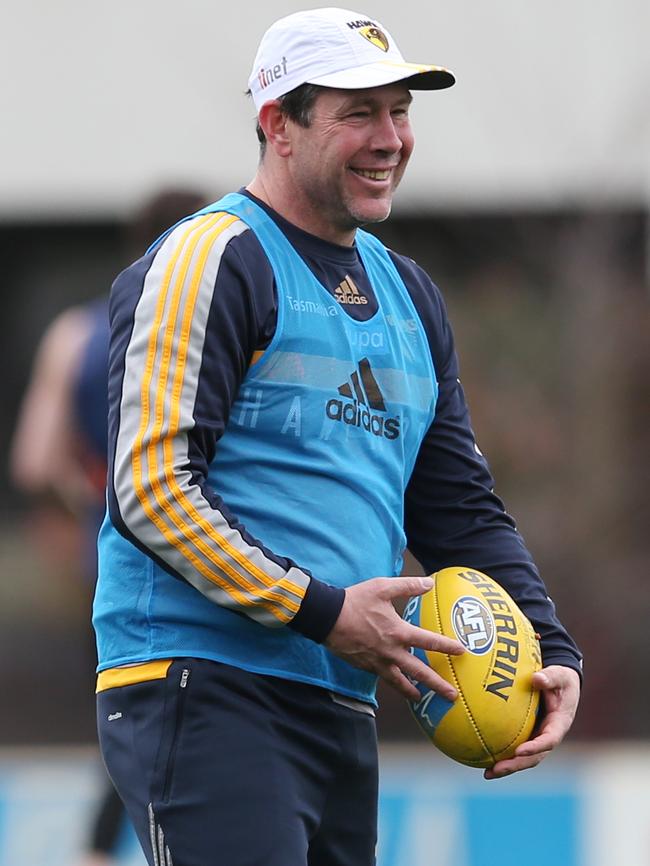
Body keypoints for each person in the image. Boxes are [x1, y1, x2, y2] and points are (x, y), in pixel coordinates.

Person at [93, 8, 582, 866]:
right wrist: (319, 610)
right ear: (278, 123)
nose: (390, 138)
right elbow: (153, 489)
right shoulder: (212, 258)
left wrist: (550, 649)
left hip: (339, 692)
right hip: (203, 684)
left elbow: (457, 508)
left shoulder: (409, 295)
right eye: (359, 113)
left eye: (401, 111)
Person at [10, 190, 207, 866]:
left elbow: (36, 459)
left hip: (117, 549)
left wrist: (96, 500)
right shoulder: (217, 327)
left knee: (133, 706)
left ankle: (98, 852)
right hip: (216, 556)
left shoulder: (79, 332)